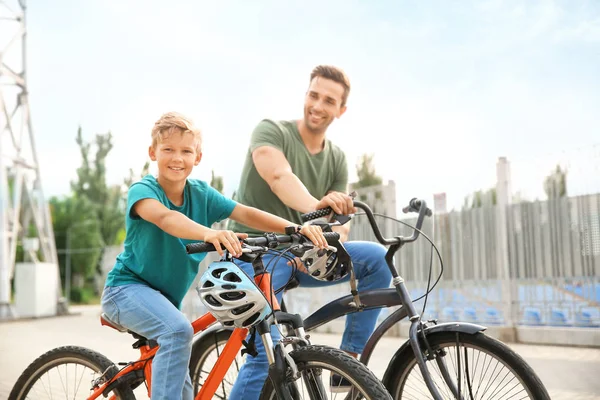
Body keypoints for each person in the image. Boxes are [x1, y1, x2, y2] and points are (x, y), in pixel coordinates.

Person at [100, 112, 327, 400]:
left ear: (198, 157)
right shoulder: (144, 190)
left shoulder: (201, 194)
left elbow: (243, 212)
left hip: (165, 301)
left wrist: (295, 227)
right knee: (178, 331)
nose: (176, 158)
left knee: (181, 381)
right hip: (125, 291)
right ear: (152, 153)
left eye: (186, 151)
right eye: (168, 149)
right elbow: (167, 219)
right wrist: (209, 233)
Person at [228, 65, 392, 398]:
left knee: (377, 260)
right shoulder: (271, 131)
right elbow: (279, 178)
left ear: (340, 110)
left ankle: (347, 362)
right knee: (266, 353)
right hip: (251, 254)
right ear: (306, 95)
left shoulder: (336, 159)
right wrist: (313, 215)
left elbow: (340, 226)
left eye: (328, 100)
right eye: (313, 95)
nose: (318, 105)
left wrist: (322, 246)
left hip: (298, 255)